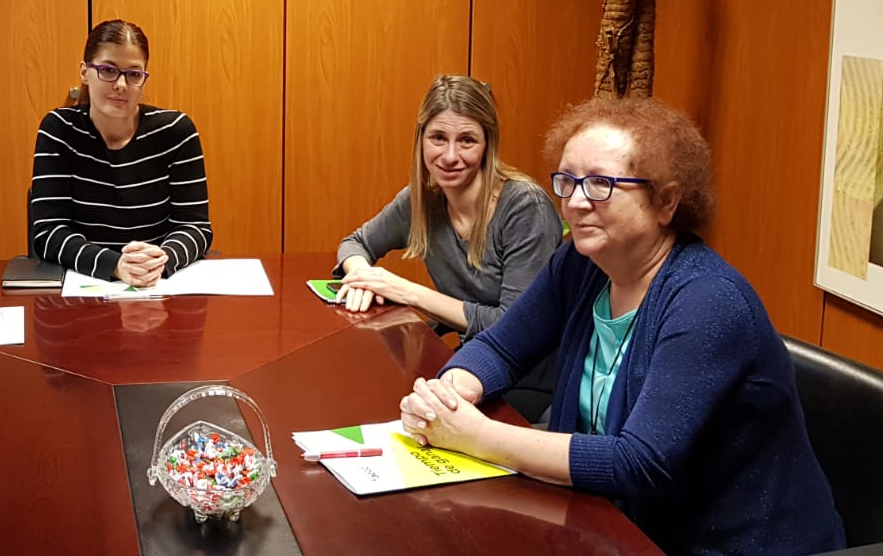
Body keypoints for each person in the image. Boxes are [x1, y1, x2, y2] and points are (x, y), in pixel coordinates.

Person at [397, 98, 845, 555]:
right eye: (567, 181)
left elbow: (640, 462)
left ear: (666, 201)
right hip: (611, 524)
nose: (575, 202)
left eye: (600, 184)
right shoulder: (580, 264)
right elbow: (501, 348)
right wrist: (449, 394)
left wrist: (477, 437)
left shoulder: (707, 300)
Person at [333, 75, 562, 341]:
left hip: (527, 361)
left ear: (488, 145)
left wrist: (407, 292)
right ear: (421, 139)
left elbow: (516, 326)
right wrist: (363, 277)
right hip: (475, 354)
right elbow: (356, 243)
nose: (450, 156)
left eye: (467, 140)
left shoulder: (525, 207)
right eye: (438, 138)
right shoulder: (421, 201)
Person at [30, 19, 212, 286]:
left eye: (134, 74)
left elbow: (195, 228)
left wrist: (160, 260)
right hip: (84, 287)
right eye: (108, 70)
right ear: (84, 72)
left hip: (158, 284)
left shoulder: (176, 132)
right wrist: (115, 265)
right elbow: (49, 231)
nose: (121, 84)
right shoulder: (59, 129)